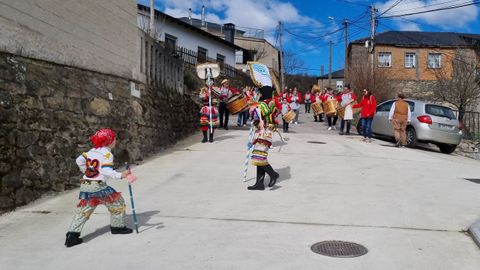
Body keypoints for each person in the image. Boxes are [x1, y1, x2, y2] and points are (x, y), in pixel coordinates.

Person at [65, 129, 135, 248]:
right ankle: (117, 227)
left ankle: (72, 235)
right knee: (117, 203)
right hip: (98, 186)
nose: (115, 141)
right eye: (114, 139)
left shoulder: (91, 151)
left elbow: (79, 160)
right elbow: (107, 171)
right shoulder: (107, 154)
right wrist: (121, 175)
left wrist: (85, 171)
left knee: (84, 209)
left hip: (86, 185)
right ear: (109, 141)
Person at [248, 86, 280, 190]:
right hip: (262, 131)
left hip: (265, 132)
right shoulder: (267, 103)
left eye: (260, 93)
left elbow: (263, 113)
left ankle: (273, 174)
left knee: (259, 156)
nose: (259, 95)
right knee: (259, 156)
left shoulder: (267, 103)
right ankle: (259, 183)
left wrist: (254, 106)